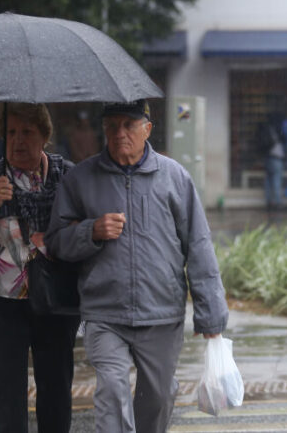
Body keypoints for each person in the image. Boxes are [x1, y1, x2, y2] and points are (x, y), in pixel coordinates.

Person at [45, 99, 229, 433]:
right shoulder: (81, 179)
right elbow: (56, 241)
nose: (119, 134)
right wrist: (91, 231)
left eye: (128, 126)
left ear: (147, 128)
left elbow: (198, 245)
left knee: (157, 397)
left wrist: (211, 313)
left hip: (160, 311)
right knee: (112, 389)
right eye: (112, 126)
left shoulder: (174, 177)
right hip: (104, 312)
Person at [0, 103, 80, 433]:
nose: (17, 141)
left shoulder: (68, 177)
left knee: (55, 396)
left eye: (27, 132)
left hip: (56, 304)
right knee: (7, 403)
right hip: (3, 309)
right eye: (10, 132)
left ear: (45, 135)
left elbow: (83, 234)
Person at [257, 112, 287, 210]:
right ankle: (277, 202)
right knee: (276, 180)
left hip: (268, 157)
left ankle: (269, 201)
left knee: (268, 181)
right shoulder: (277, 130)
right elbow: (284, 141)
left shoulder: (266, 129)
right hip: (276, 159)